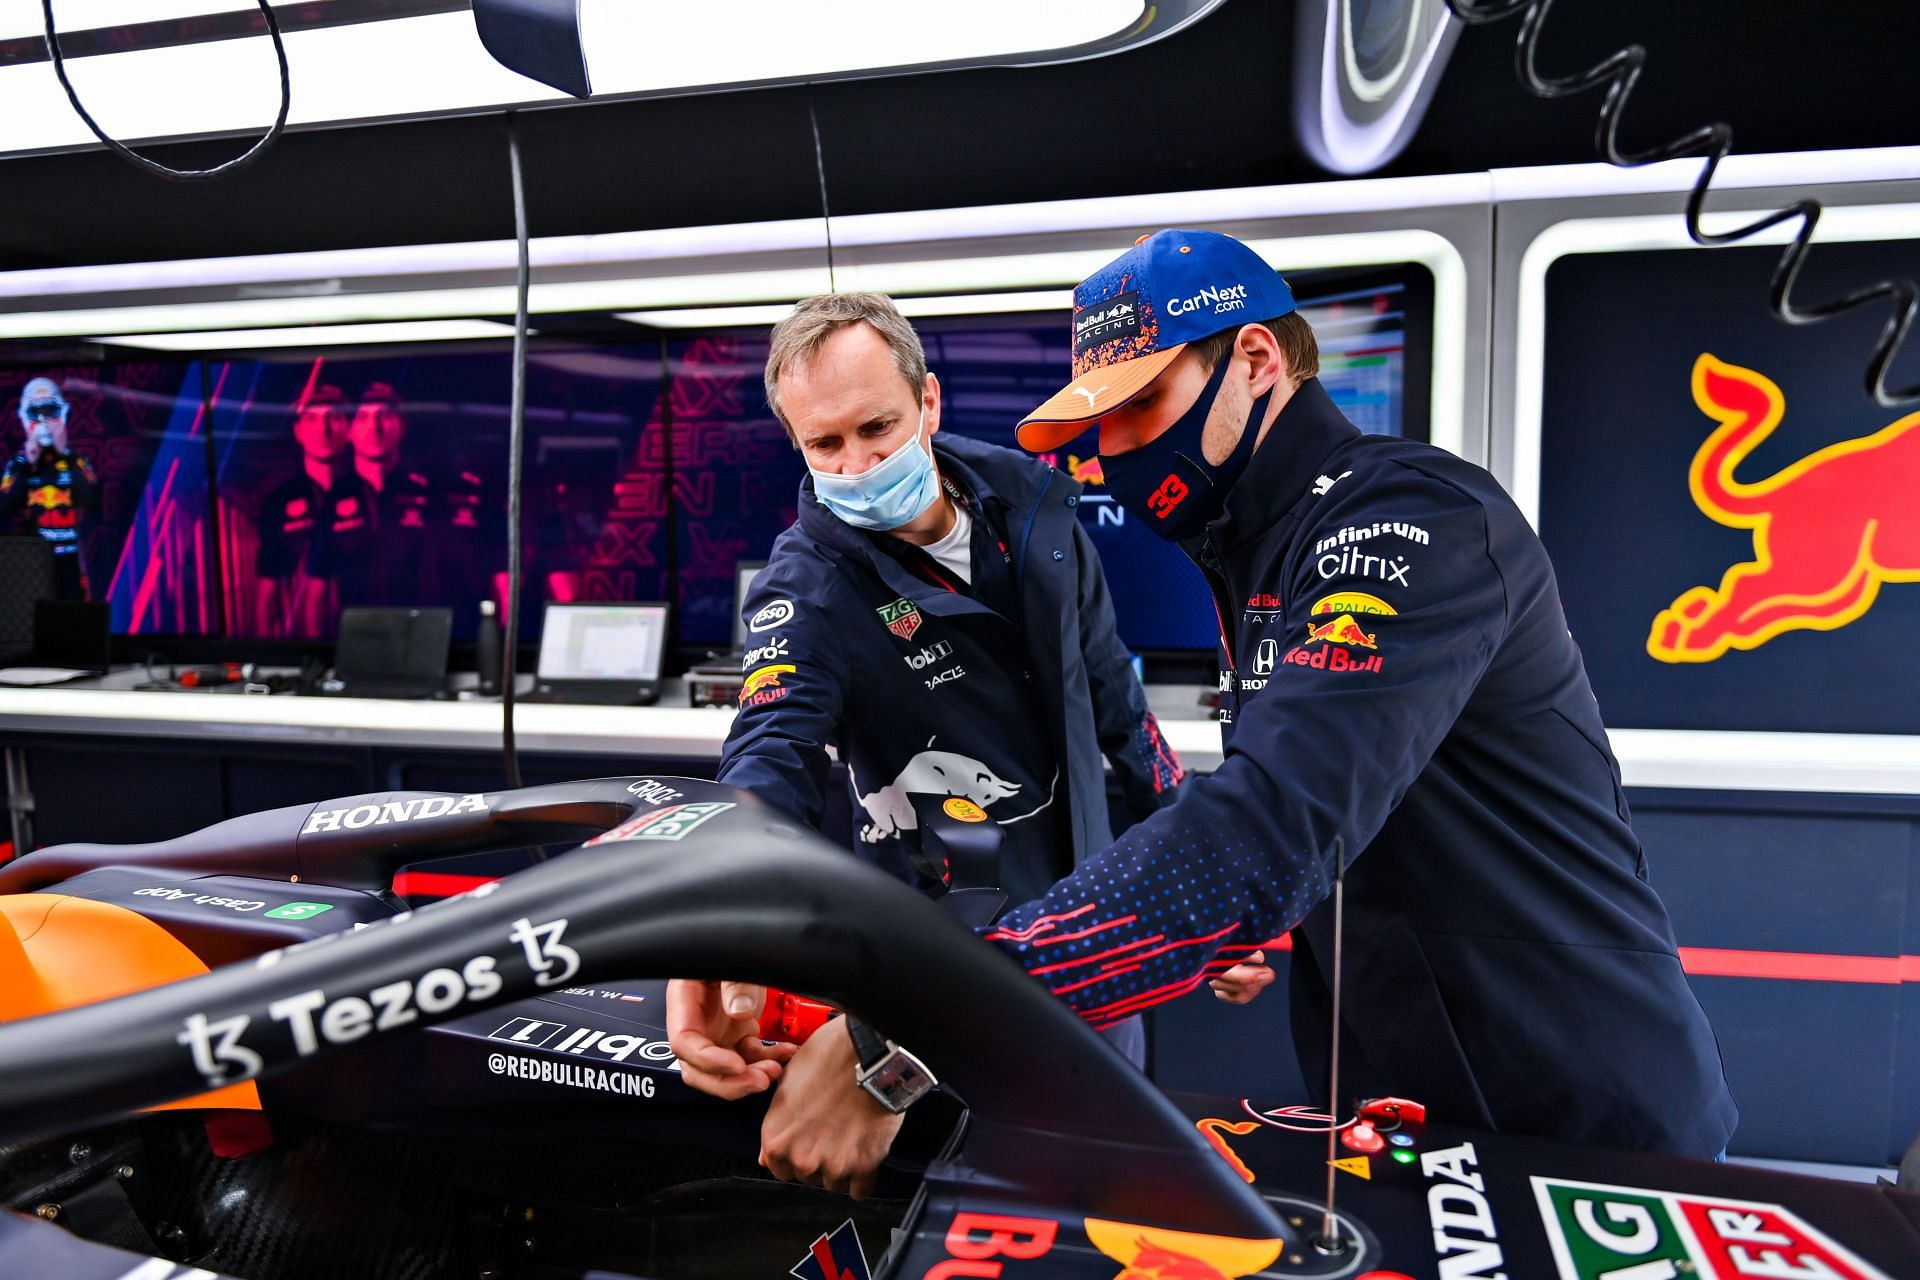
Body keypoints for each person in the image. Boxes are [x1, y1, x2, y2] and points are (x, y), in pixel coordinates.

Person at [682, 230, 1738, 1193]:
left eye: (1140, 406)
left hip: (1574, 1109)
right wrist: (714, 914)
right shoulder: (1253, 546)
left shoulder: (1412, 517)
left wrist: (907, 1036)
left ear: (1258, 363)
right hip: (1392, 1095)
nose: (1113, 448)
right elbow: (769, 741)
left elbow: (1248, 810)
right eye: (1099, 421)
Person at [667, 291, 1183, 1195]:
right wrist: (710, 926)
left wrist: (1194, 850)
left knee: (1118, 1212)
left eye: (878, 428)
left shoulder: (1038, 503)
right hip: (943, 983)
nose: (858, 464)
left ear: (929, 403)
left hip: (1097, 939)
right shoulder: (808, 590)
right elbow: (767, 757)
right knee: (973, 1224)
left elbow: (1118, 703)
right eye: (825, 445)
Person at [255, 384, 372, 637]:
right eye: (312, 418)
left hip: (375, 641)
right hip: (305, 656)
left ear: (348, 427)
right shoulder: (278, 500)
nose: (324, 429)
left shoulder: (369, 492)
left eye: (334, 417)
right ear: (297, 430)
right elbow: (267, 595)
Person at [0, 377, 97, 600]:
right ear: (25, 417)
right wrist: (29, 466)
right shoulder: (17, 465)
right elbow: (4, 509)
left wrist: (67, 456)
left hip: (70, 559)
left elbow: (93, 501)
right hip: (32, 562)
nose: (44, 421)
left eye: (51, 411)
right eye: (36, 413)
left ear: (62, 414)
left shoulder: (77, 461)